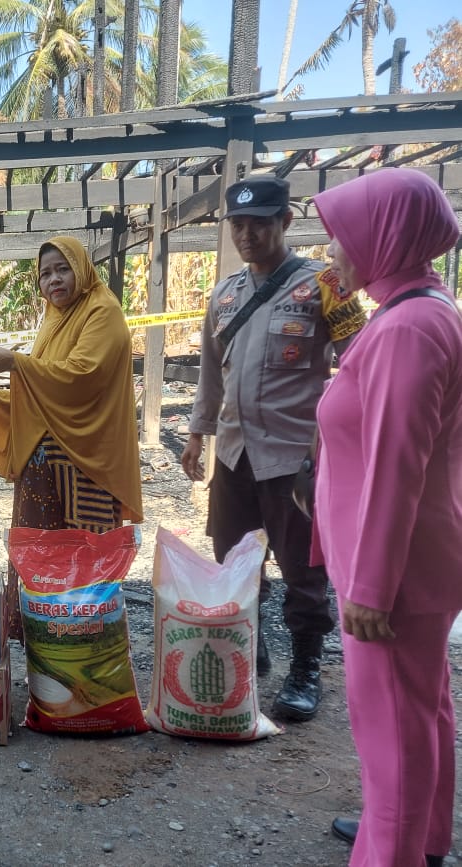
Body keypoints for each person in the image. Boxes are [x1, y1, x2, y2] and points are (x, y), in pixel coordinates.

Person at [312, 168, 461, 867]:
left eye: (342, 235)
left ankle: (394, 847)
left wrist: (369, 584)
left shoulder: (408, 329)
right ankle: (422, 840)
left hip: (393, 577)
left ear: (385, 236)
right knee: (422, 711)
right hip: (414, 562)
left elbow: (397, 462)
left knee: (391, 742)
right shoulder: (420, 312)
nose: (332, 249)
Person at [179, 175, 365, 722]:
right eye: (238, 224)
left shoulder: (326, 284)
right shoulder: (226, 292)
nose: (247, 234)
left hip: (295, 460)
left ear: (285, 221)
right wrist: (197, 433)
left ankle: (305, 668)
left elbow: (361, 362)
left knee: (304, 571)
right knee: (233, 561)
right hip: (235, 456)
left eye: (259, 222)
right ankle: (250, 646)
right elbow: (212, 375)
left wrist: (337, 436)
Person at [0, 237, 143, 640]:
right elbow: (42, 392)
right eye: (45, 274)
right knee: (41, 560)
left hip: (84, 466)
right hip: (44, 473)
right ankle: (47, 649)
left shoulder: (102, 311)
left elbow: (80, 377)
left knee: (81, 567)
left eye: (62, 269)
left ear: (81, 267)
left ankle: (85, 650)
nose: (54, 280)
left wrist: (13, 361)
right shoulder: (53, 320)